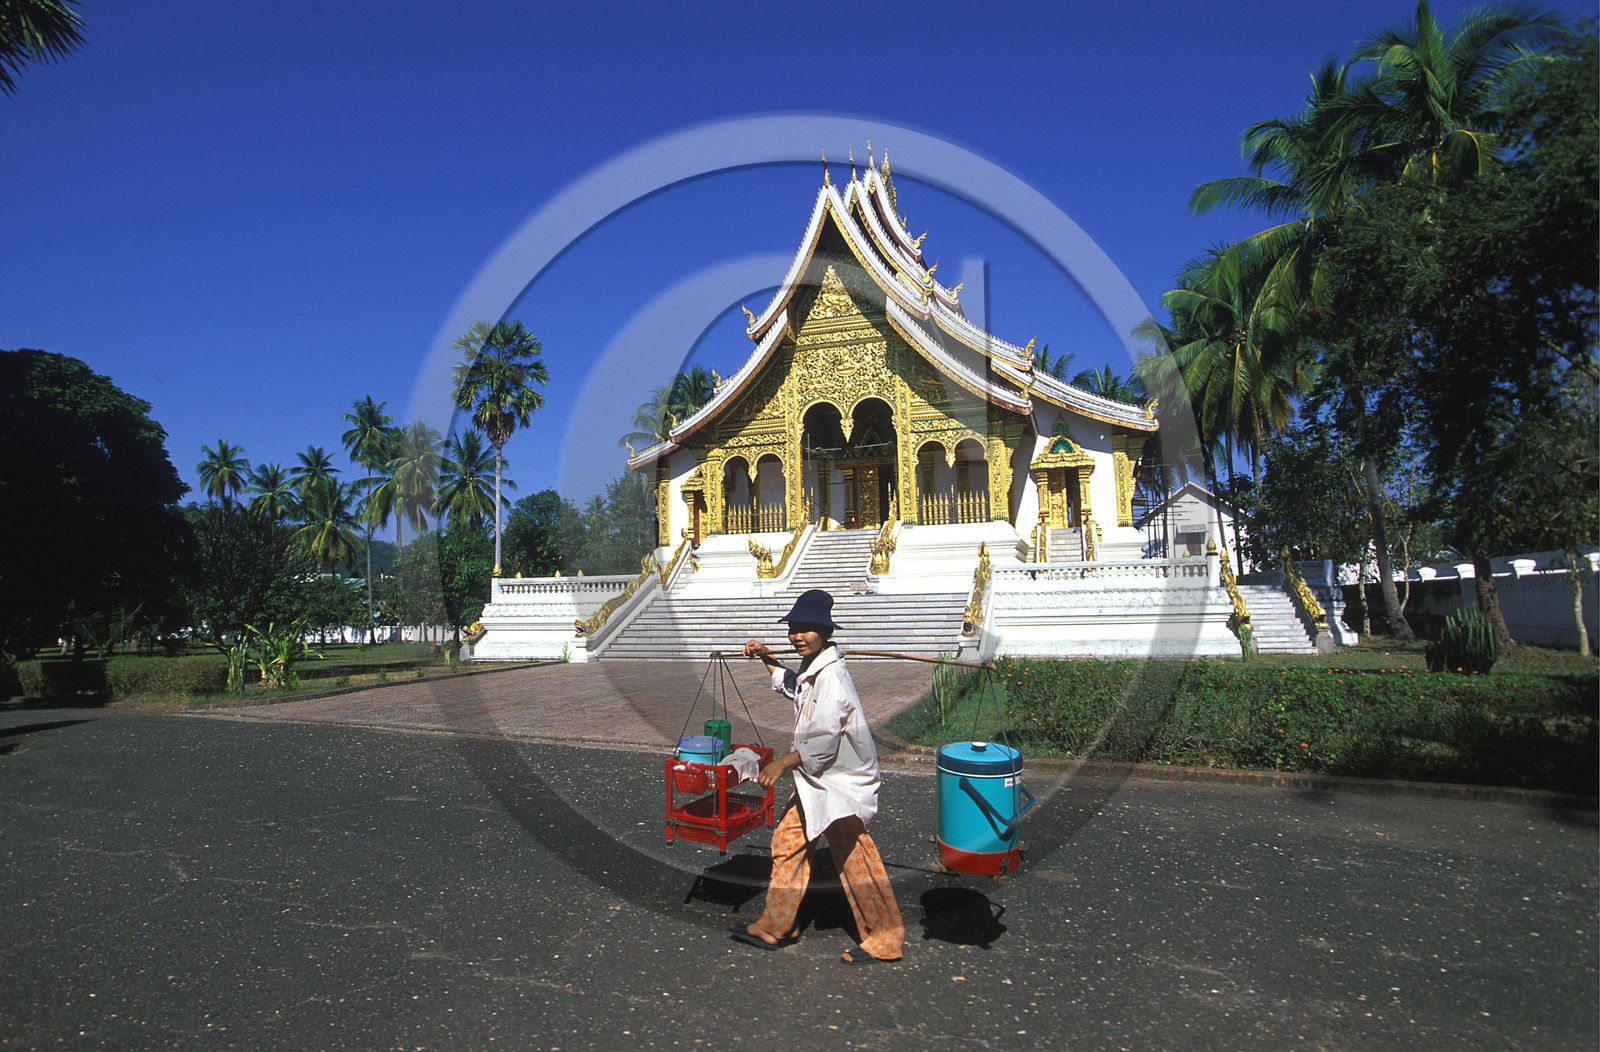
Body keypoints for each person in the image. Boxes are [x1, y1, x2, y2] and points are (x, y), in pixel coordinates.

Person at [731, 588, 904, 964]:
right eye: (793, 627)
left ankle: (885, 939)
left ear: (825, 632)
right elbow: (795, 688)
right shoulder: (817, 670)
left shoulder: (833, 679)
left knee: (855, 856)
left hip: (839, 781)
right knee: (789, 841)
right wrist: (767, 658)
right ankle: (778, 924)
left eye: (807, 629)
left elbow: (823, 743)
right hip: (823, 781)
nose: (798, 635)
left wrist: (780, 763)